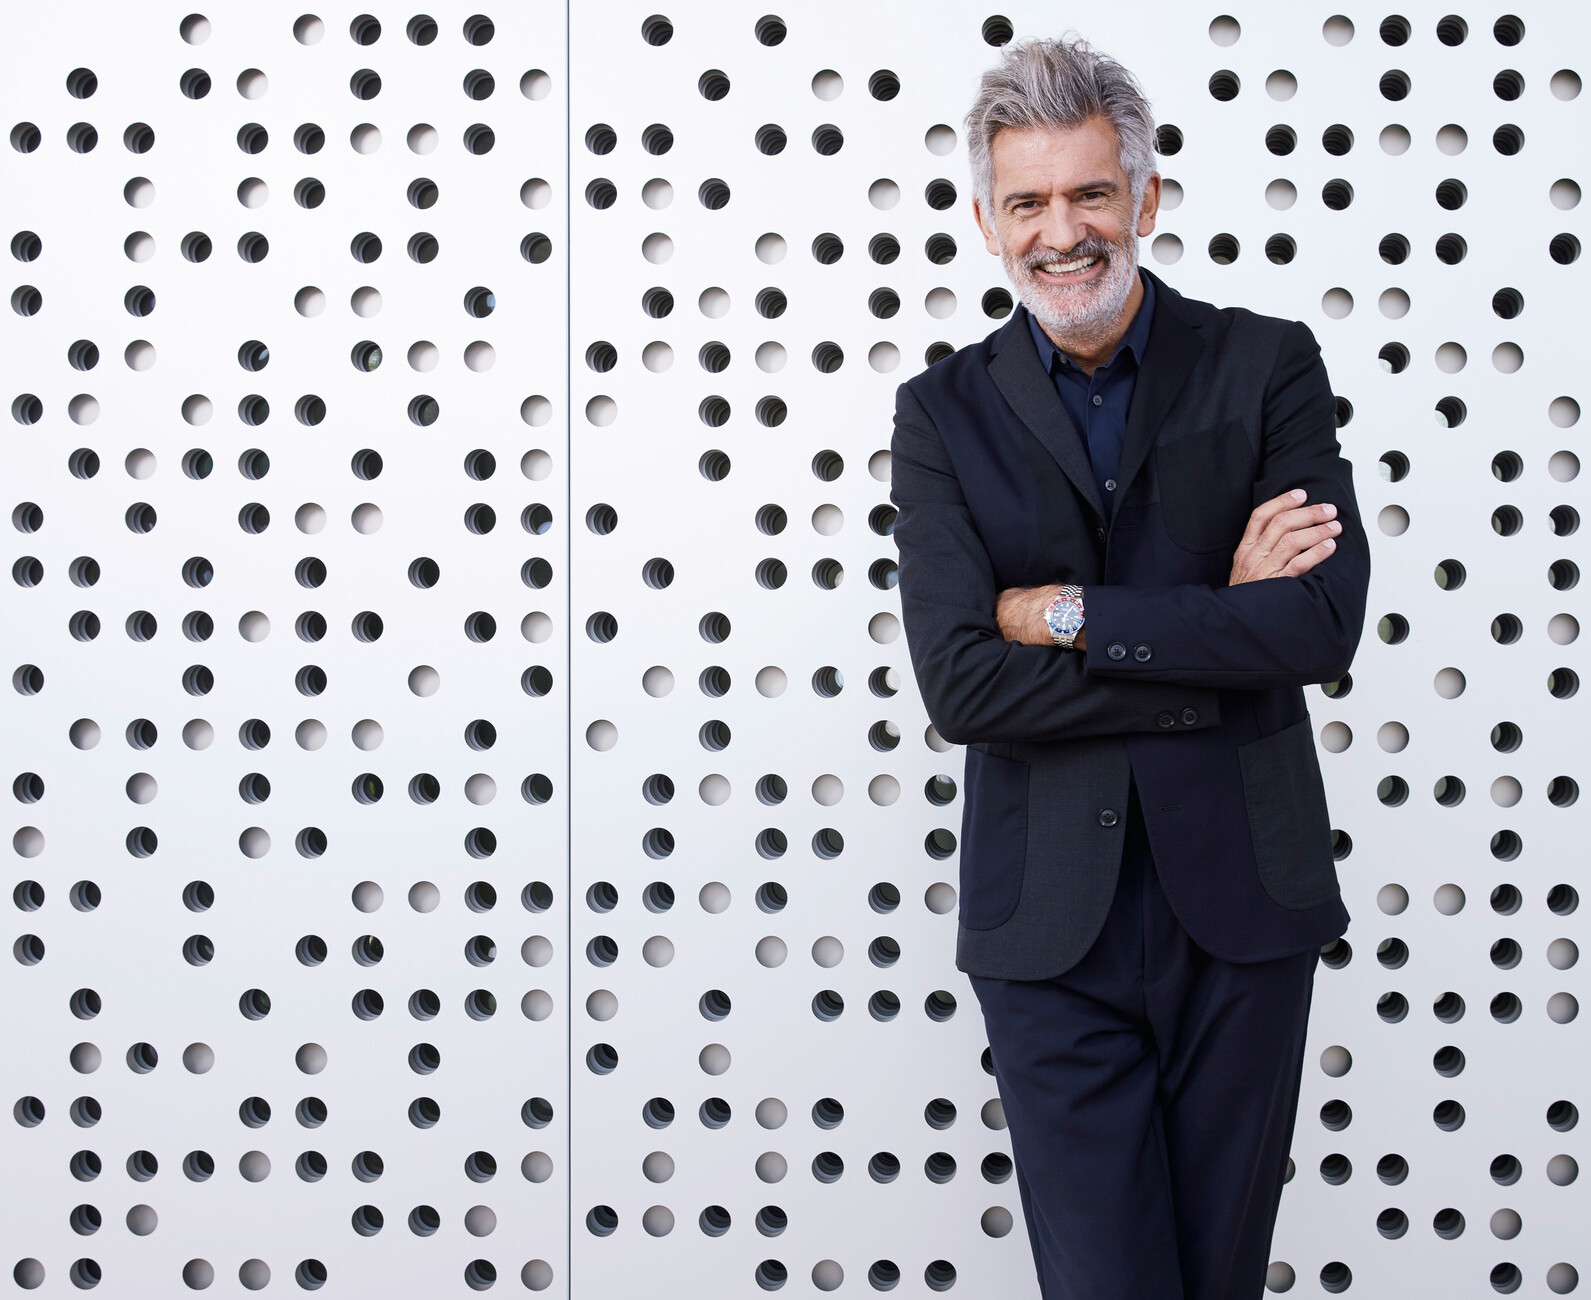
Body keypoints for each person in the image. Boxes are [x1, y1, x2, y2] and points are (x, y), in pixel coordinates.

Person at [889, 33, 1371, 1300]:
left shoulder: (1265, 365)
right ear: (988, 224)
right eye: (1028, 203)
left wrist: (1062, 614)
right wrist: (1218, 626)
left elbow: (1319, 626)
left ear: (1145, 199)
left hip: (1242, 908)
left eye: (1091, 193)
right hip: (1048, 932)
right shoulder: (939, 414)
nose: (1063, 233)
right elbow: (960, 686)